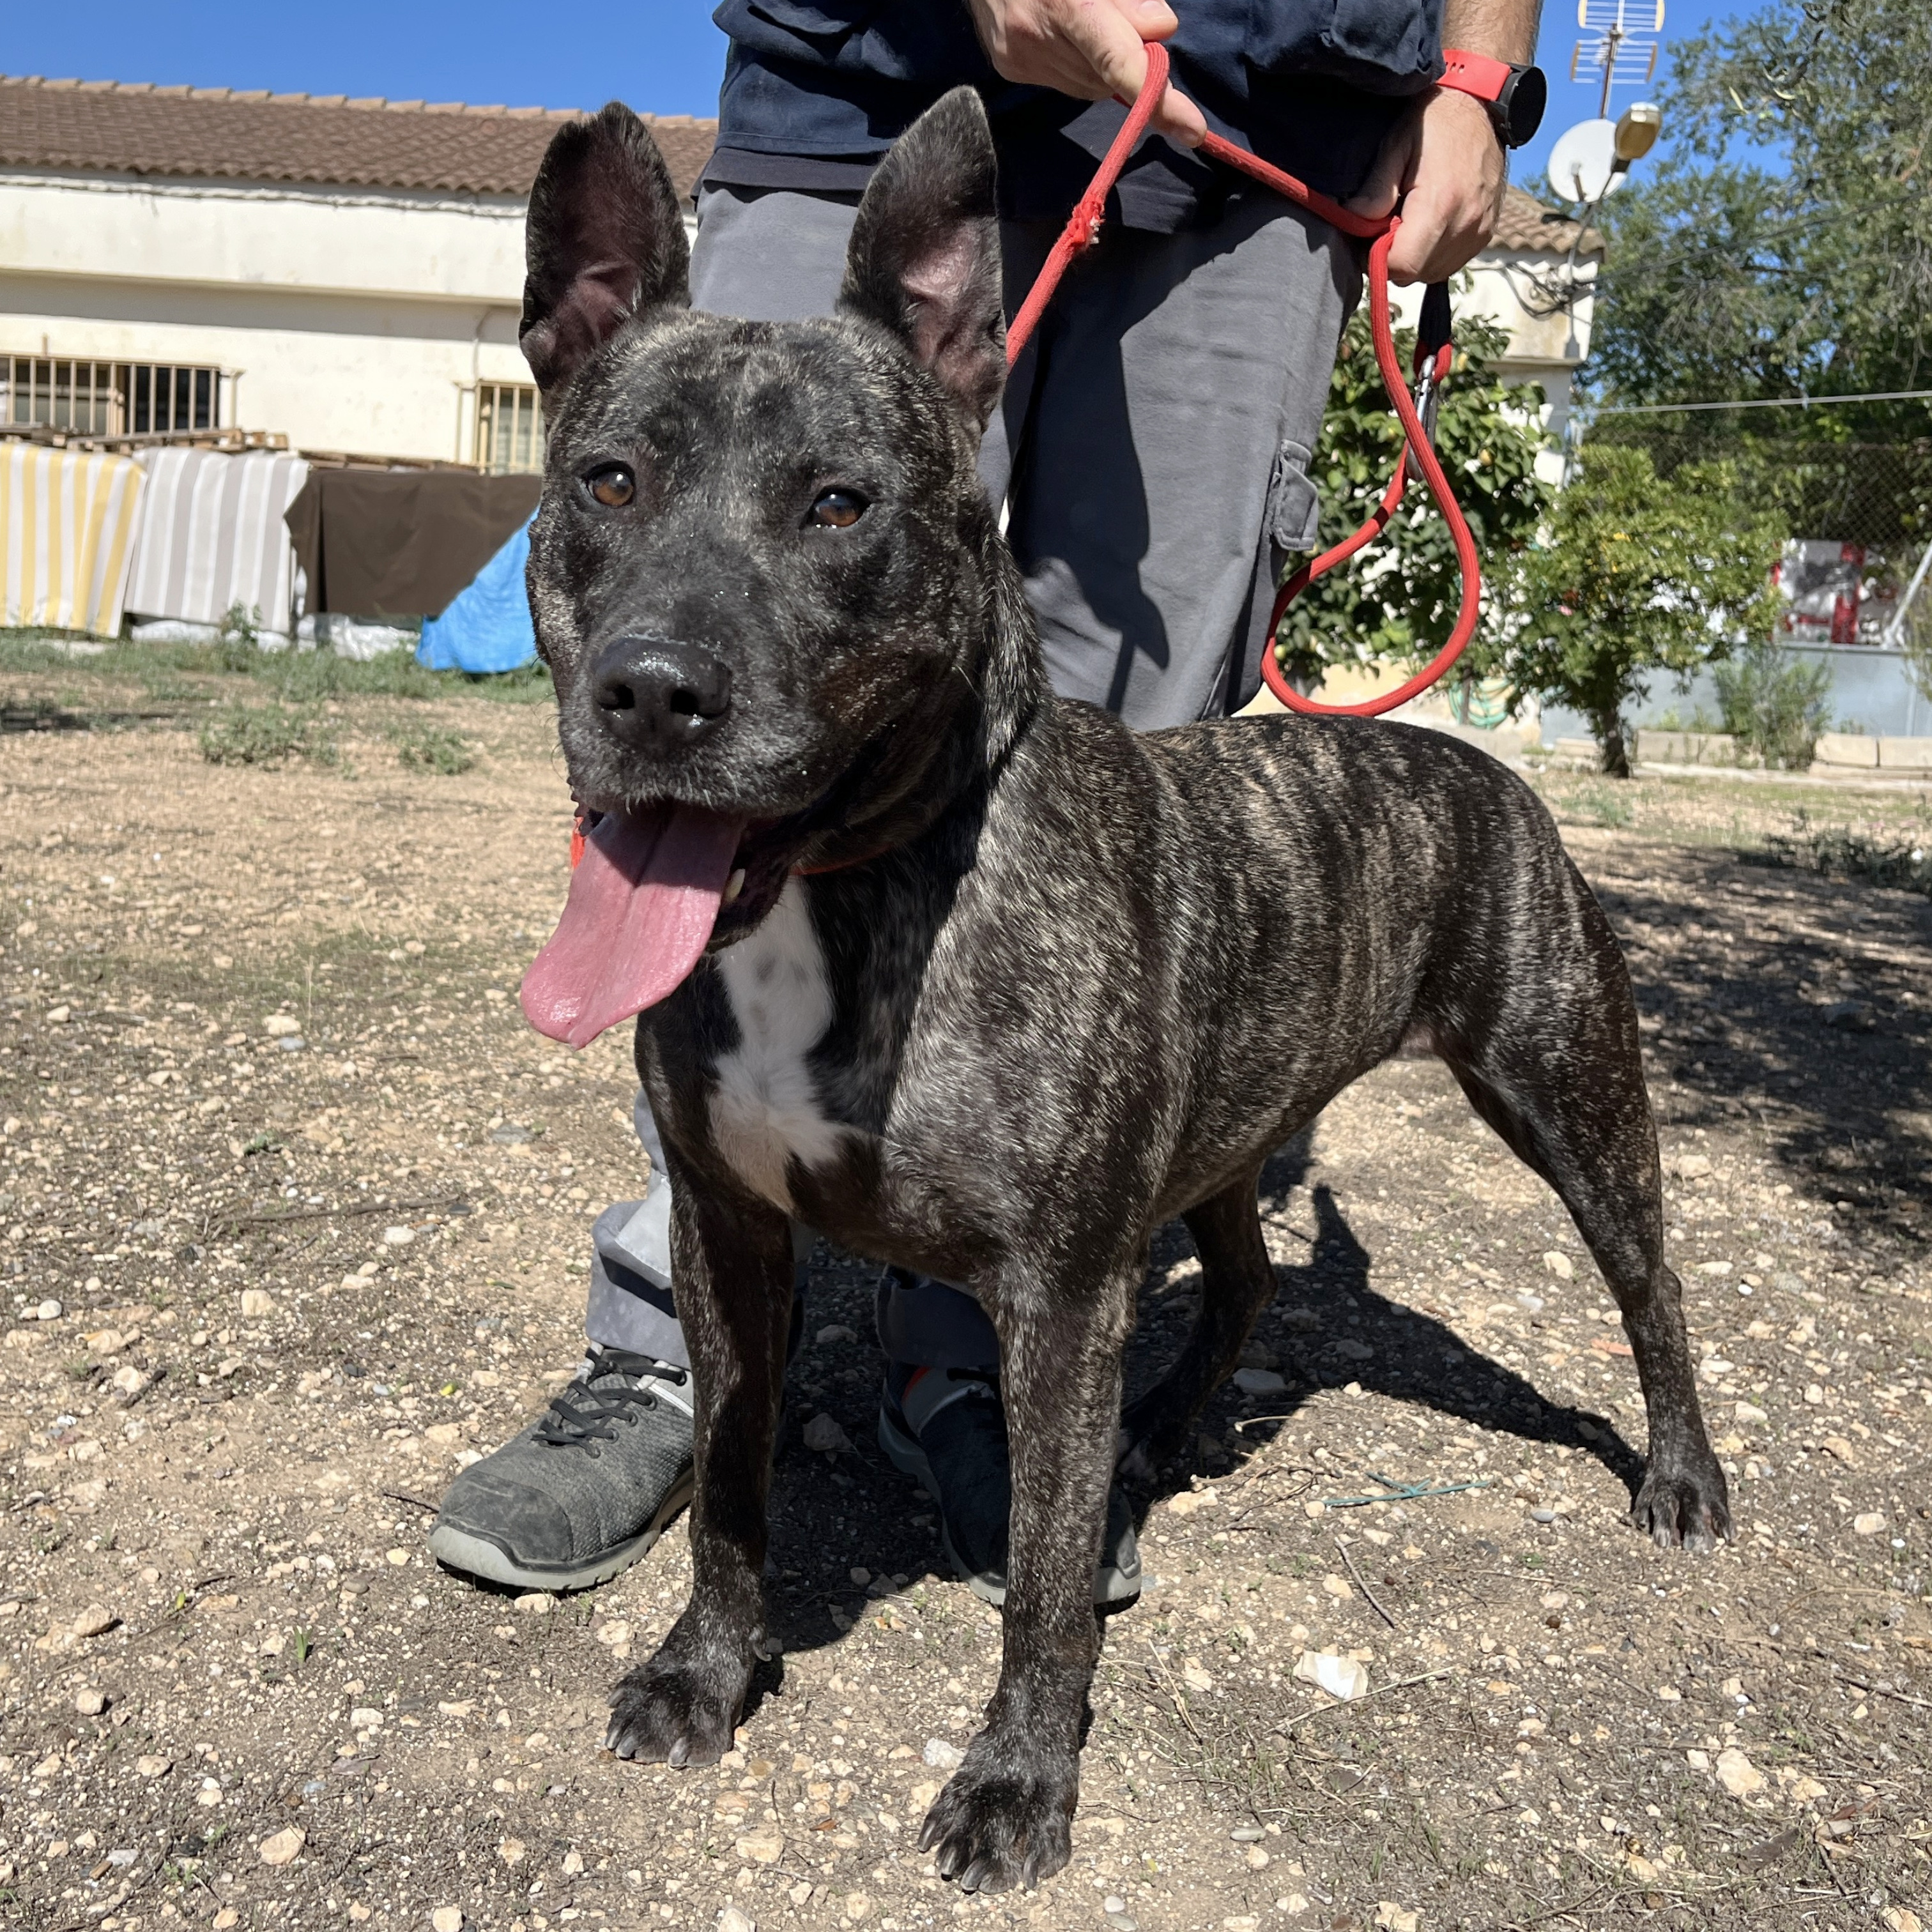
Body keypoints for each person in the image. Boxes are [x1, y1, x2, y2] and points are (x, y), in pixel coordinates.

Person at [428, 0, 1540, 1600]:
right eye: (599, 492)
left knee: (1120, 819)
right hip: (854, 82)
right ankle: (672, 1346)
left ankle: (977, 1357)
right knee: (713, 499)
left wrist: (1479, 75)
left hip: (1256, 145)